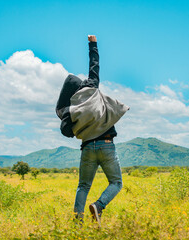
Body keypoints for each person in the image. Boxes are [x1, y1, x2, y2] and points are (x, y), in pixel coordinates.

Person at [55, 35, 129, 227]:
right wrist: (93, 44)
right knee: (116, 183)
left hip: (87, 148)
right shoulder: (92, 88)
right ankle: (99, 205)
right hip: (106, 145)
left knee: (83, 186)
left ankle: (77, 223)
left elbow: (66, 132)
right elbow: (94, 65)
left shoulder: (70, 109)